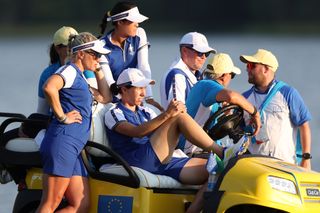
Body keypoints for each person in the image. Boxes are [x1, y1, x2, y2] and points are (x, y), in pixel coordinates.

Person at [105, 68, 251, 212]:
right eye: (139, 88)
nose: (144, 93)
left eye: (144, 87)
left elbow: (161, 132)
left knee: (218, 170)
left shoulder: (146, 111)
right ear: (124, 89)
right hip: (138, 159)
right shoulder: (114, 112)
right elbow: (137, 132)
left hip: (160, 158)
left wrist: (173, 115)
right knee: (178, 117)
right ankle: (223, 152)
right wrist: (169, 114)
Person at [36, 32, 111, 213]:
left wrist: (97, 67)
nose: (99, 58)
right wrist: (62, 116)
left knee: (80, 205)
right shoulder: (68, 71)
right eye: (95, 55)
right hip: (62, 143)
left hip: (74, 148)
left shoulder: (81, 77)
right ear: (80, 54)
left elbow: (106, 97)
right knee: (50, 203)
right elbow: (49, 87)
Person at [240, 49, 312, 169]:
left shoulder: (288, 93)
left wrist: (306, 158)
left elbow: (304, 126)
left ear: (266, 69)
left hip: (284, 165)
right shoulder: (243, 98)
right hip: (254, 166)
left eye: (252, 65)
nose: (247, 69)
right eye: (247, 65)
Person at [182, 53, 261, 156]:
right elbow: (232, 96)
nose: (231, 79)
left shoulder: (206, 88)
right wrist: (255, 113)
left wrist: (225, 114)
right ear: (223, 76)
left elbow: (210, 127)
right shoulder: (207, 85)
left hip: (198, 147)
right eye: (232, 75)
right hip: (190, 150)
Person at [98, 1, 163, 111]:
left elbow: (144, 66)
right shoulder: (101, 46)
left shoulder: (139, 33)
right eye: (134, 21)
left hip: (135, 98)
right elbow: (109, 81)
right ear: (119, 22)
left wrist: (149, 97)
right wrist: (127, 103)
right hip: (115, 101)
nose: (137, 24)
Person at [160, 32, 216, 109]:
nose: (204, 57)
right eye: (200, 53)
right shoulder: (177, 76)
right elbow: (178, 114)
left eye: (207, 54)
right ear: (184, 51)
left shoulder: (198, 76)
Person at [37, 26, 78, 115]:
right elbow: (42, 112)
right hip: (57, 122)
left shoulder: (87, 70)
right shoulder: (47, 74)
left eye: (77, 45)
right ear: (57, 49)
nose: (74, 50)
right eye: (69, 46)